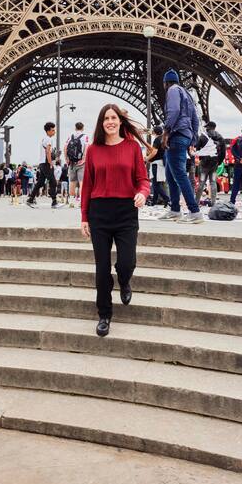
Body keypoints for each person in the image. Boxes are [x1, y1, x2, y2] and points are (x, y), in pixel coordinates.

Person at [81, 105, 150, 337]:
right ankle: (104, 314)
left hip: (125, 211)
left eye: (113, 118)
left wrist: (142, 193)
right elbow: (87, 186)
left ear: (120, 121)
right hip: (99, 212)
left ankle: (124, 279)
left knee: (126, 262)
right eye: (106, 118)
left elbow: (143, 179)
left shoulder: (132, 147)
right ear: (101, 123)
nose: (110, 121)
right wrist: (84, 217)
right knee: (102, 269)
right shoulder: (92, 149)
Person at [159, 69, 203, 224]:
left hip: (176, 135)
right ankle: (175, 210)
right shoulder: (186, 93)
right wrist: (193, 140)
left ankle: (195, 211)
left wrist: (166, 131)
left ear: (165, 83)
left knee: (179, 175)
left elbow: (174, 110)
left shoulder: (172, 90)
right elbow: (196, 119)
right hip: (184, 135)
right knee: (170, 175)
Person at [27, 122, 59, 209]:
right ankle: (54, 201)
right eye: (53, 130)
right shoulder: (48, 139)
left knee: (40, 182)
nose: (54, 132)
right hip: (46, 163)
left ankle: (30, 199)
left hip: (41, 163)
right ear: (48, 131)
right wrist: (50, 163)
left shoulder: (43, 139)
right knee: (53, 181)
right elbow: (48, 152)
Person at [196, 120, 226, 206]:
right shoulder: (220, 137)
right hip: (214, 163)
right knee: (213, 182)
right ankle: (213, 202)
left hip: (204, 163)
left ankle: (196, 202)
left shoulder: (203, 137)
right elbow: (223, 152)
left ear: (208, 128)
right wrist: (218, 162)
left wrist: (201, 157)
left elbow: (197, 149)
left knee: (201, 182)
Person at [65, 121, 89, 204]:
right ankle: (81, 202)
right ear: (83, 128)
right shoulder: (85, 136)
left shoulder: (70, 136)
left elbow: (65, 147)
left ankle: (71, 201)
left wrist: (66, 159)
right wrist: (84, 159)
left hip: (71, 162)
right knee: (82, 182)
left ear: (75, 128)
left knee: (72, 181)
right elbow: (86, 148)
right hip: (81, 162)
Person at [146, 125, 170, 207]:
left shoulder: (157, 139)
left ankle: (166, 199)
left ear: (155, 132)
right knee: (157, 183)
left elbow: (154, 152)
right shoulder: (164, 139)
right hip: (162, 163)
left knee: (155, 184)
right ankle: (154, 201)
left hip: (156, 163)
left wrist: (147, 158)